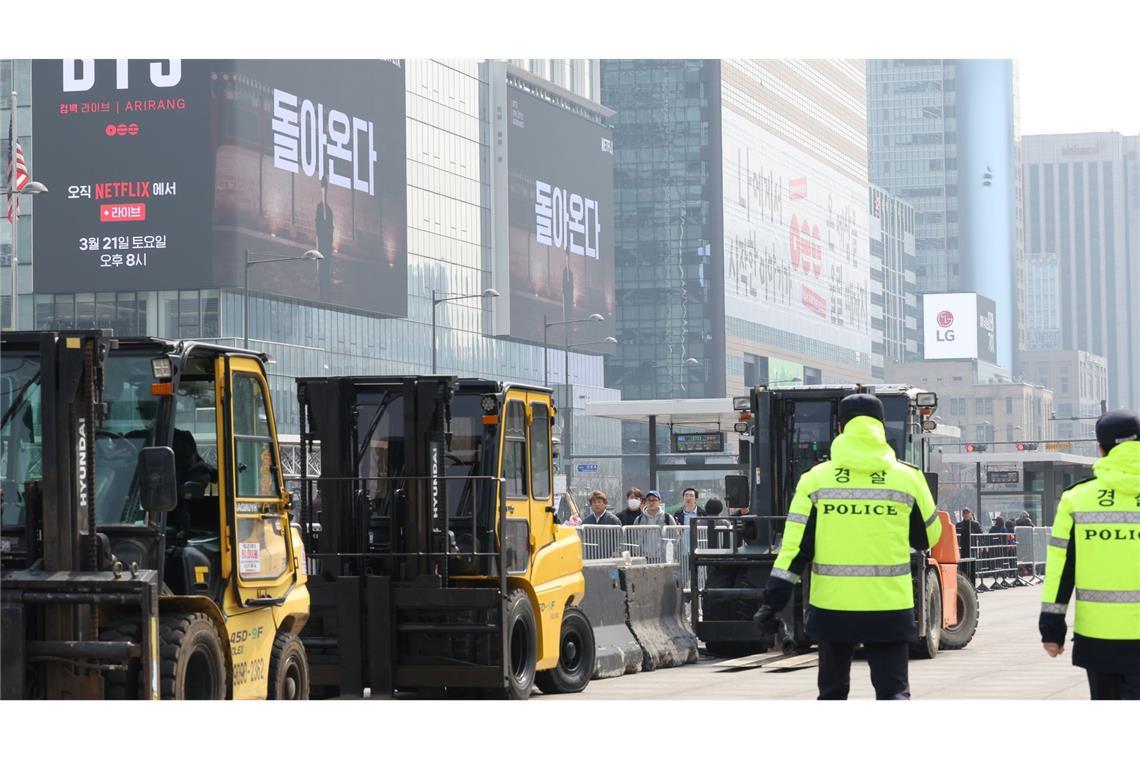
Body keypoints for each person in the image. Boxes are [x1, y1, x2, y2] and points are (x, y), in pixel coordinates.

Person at [753, 393, 941, 700]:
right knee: (893, 692)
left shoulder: (815, 480)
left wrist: (772, 603)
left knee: (832, 693)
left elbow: (794, 550)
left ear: (840, 428)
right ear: (881, 427)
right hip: (889, 608)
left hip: (832, 610)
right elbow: (928, 539)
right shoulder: (909, 479)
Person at [1039, 409, 1140, 700]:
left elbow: (1061, 571)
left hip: (1099, 638)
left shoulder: (1077, 499)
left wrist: (1051, 629)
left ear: (1101, 448)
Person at [316, 174, 334, 302]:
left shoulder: (329, 211)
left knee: (326, 268)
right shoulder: (319, 208)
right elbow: (317, 226)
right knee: (322, 268)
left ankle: (326, 292)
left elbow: (330, 228)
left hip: (327, 245)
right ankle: (322, 291)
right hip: (321, 244)